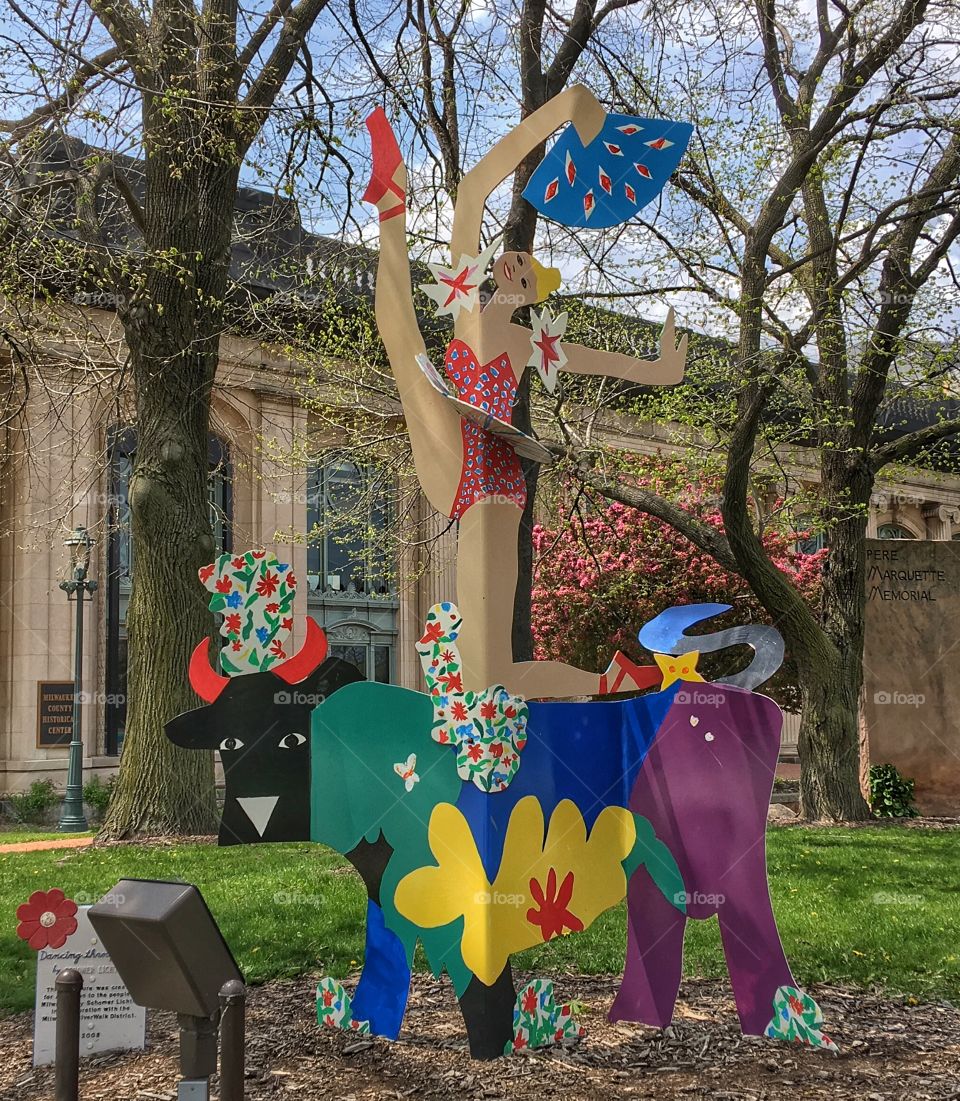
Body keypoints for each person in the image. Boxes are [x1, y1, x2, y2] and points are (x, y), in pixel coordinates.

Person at [362, 85, 687, 697]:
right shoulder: (464, 305)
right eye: (509, 257)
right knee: (400, 335)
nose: (513, 261)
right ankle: (392, 206)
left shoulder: (519, 345)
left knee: (491, 672)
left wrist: (658, 370)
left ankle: (603, 685)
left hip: (490, 480)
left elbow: (603, 361)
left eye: (526, 267)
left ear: (531, 291)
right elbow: (472, 191)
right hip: (468, 459)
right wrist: (562, 110)